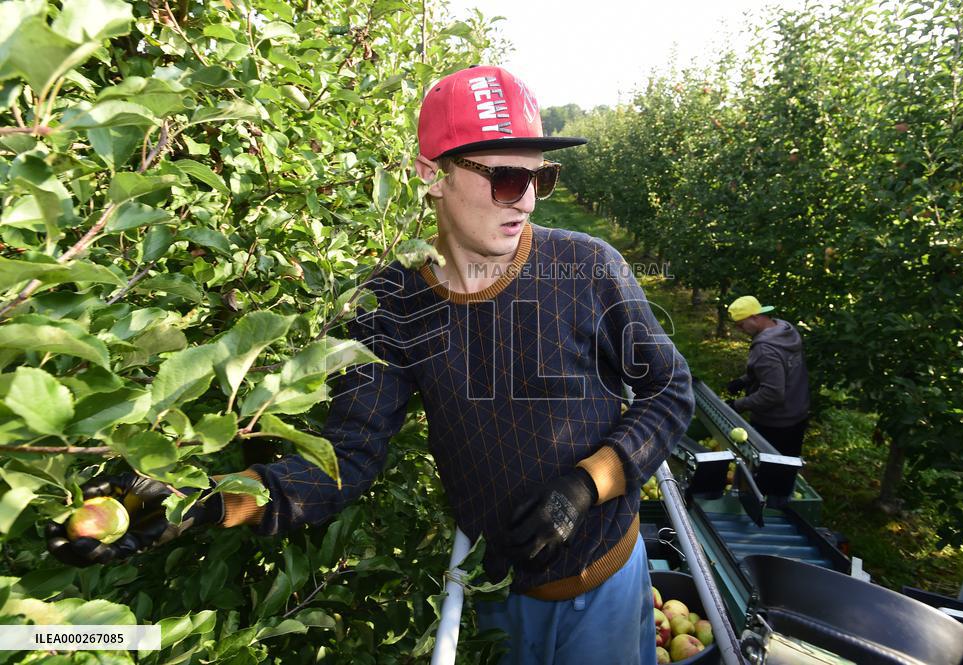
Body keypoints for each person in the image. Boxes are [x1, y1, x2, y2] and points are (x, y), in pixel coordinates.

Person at [46, 66, 695, 665]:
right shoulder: (391, 300)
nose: (524, 200)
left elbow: (670, 390)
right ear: (429, 175)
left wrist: (587, 483)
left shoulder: (586, 269)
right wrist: (209, 501)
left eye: (539, 178)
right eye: (504, 176)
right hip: (499, 585)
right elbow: (349, 453)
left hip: (608, 574)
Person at [725, 295, 810, 457]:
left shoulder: (765, 348)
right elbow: (781, 370)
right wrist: (743, 381)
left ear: (754, 317)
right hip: (797, 412)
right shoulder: (785, 331)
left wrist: (738, 405)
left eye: (741, 325)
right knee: (787, 467)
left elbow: (772, 394)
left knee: (768, 472)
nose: (740, 330)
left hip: (775, 422)